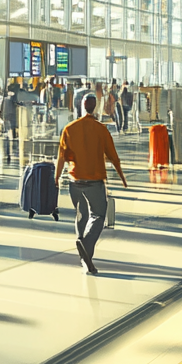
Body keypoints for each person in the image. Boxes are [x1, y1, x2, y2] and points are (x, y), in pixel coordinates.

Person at [55, 94, 127, 275]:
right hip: (94, 181)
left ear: (81, 105)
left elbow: (62, 156)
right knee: (98, 215)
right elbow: (112, 155)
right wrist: (121, 176)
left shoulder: (70, 129)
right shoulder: (100, 129)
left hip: (75, 180)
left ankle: (84, 258)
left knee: (81, 214)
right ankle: (85, 246)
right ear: (95, 107)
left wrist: (56, 177)